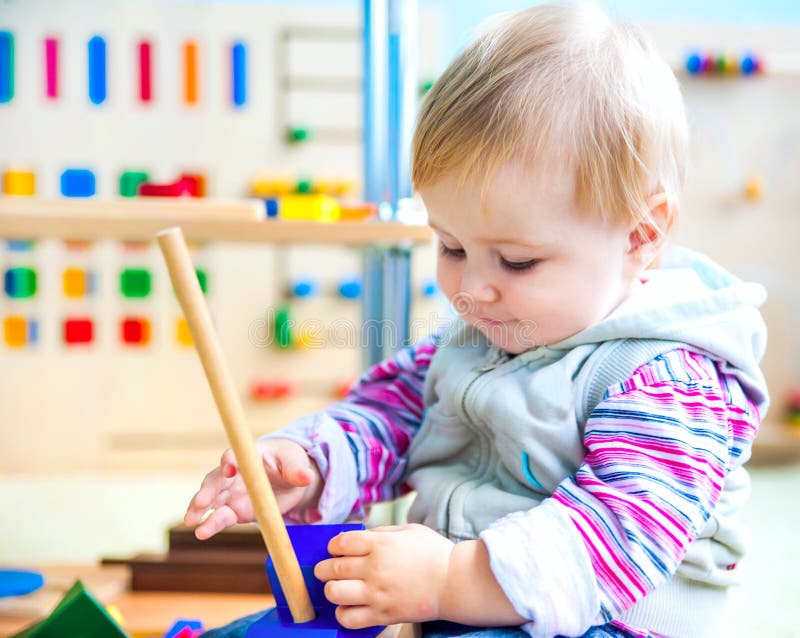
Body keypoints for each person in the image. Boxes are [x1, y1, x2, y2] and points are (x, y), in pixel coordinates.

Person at [187, 3, 769, 637]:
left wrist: (447, 581)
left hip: (601, 622)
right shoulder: (479, 335)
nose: (472, 290)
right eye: (452, 248)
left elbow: (617, 539)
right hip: (448, 605)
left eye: (517, 261)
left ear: (640, 236)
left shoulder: (667, 377)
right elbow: (391, 415)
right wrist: (312, 463)